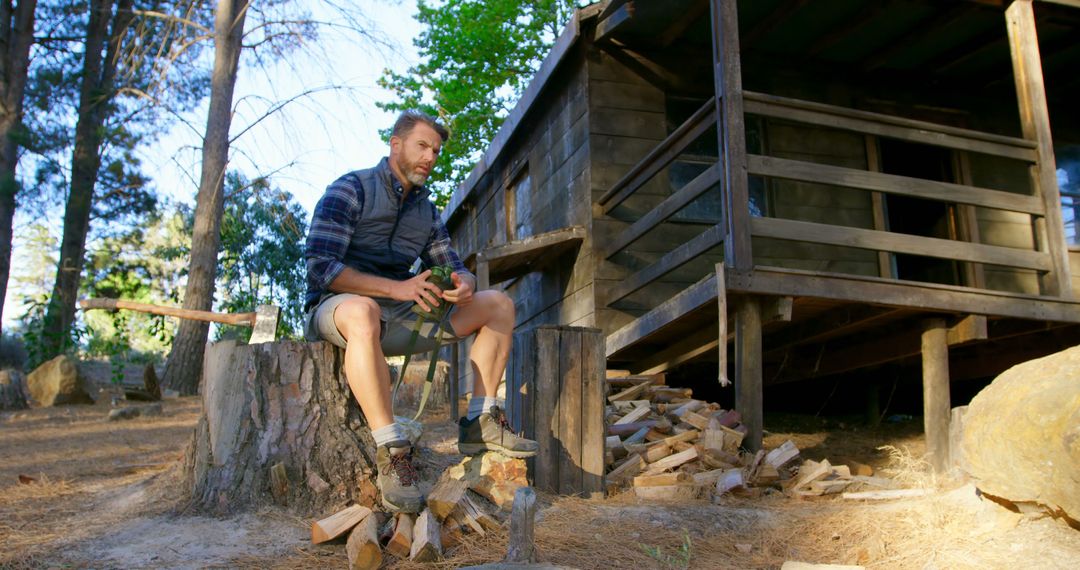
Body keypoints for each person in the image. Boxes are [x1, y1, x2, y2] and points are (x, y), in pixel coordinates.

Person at [304, 110, 538, 513]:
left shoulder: (426, 213)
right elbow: (322, 268)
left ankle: (480, 422)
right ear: (396, 145)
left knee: (498, 304)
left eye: (436, 150)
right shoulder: (350, 189)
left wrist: (464, 283)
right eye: (422, 146)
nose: (431, 156)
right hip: (338, 310)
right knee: (362, 311)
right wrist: (398, 287)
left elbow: (452, 261)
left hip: (401, 314)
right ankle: (392, 452)